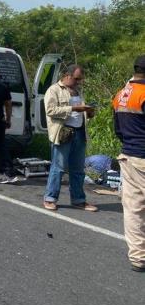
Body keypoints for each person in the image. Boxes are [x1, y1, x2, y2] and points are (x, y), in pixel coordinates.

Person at [43, 64, 98, 211]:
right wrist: (74, 108)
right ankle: (50, 198)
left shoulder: (78, 92)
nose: (78, 82)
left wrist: (89, 111)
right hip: (63, 133)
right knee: (58, 167)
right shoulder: (54, 90)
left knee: (78, 169)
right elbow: (50, 110)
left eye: (80, 80)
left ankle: (78, 200)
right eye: (76, 79)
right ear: (67, 75)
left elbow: (82, 113)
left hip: (79, 133)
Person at [112, 55, 145, 272]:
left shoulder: (120, 95)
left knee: (134, 209)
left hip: (129, 155)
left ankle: (138, 258)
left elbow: (117, 130)